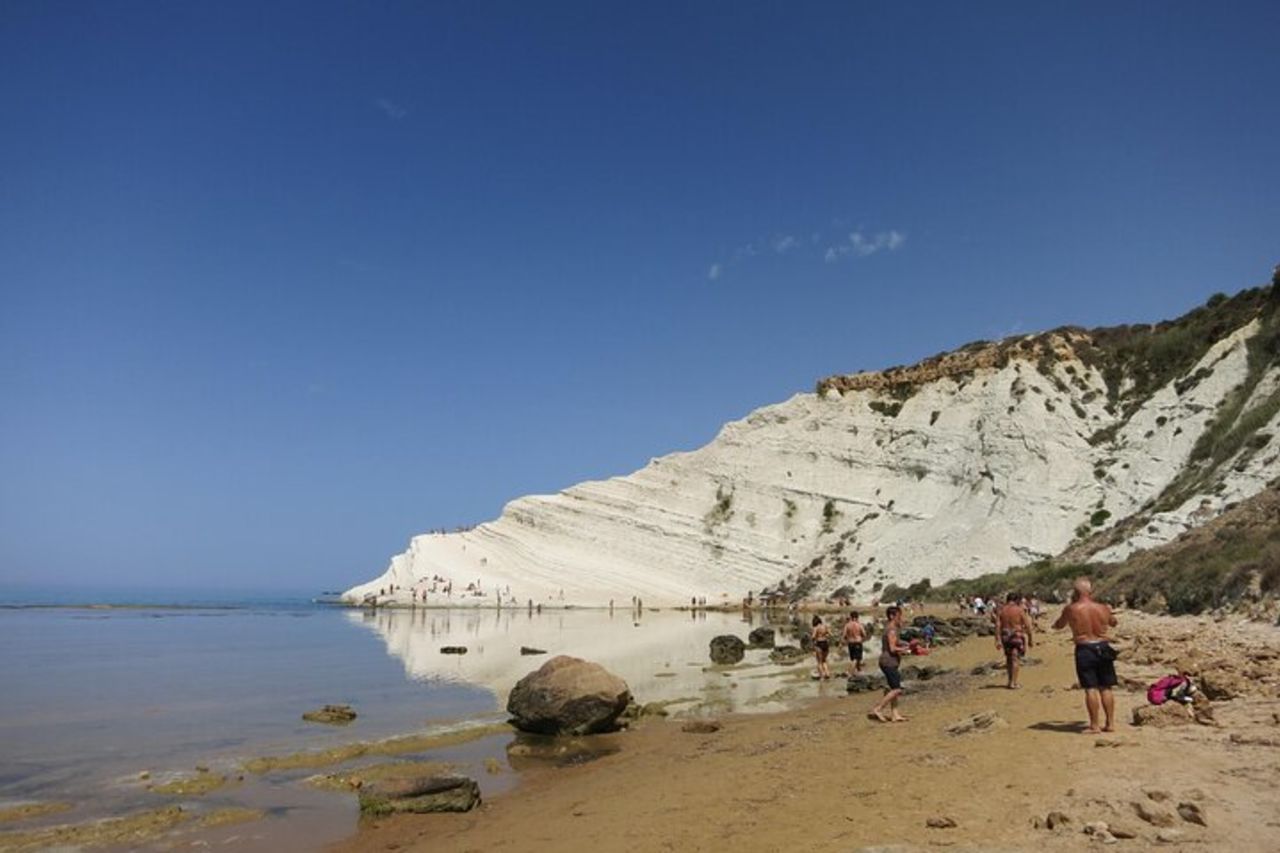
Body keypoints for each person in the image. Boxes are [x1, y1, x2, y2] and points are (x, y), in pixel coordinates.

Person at [1052, 577, 1119, 734]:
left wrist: (1056, 624)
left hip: (1085, 648)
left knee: (1090, 687)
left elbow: (1059, 625)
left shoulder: (1072, 608)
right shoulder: (1103, 607)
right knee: (1106, 687)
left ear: (1076, 592)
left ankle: (1095, 725)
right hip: (1103, 646)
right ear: (1090, 591)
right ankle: (1110, 723)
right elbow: (1114, 622)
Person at [868, 606, 912, 722]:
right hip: (888, 662)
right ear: (892, 616)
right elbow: (892, 648)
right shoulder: (892, 629)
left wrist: (907, 644)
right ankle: (878, 709)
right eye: (899, 616)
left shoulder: (892, 628)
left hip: (890, 661)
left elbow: (895, 642)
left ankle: (895, 714)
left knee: (893, 688)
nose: (900, 618)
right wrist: (906, 650)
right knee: (897, 689)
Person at [995, 592, 1034, 689]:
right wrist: (1030, 639)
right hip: (1016, 635)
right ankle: (1014, 683)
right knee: (1015, 659)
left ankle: (1009, 681)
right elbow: (1028, 625)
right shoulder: (1019, 610)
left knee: (1009, 659)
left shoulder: (1001, 611)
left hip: (1005, 636)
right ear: (1016, 600)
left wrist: (998, 640)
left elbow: (997, 626)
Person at [842, 610, 866, 675]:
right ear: (857, 617)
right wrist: (861, 639)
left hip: (850, 643)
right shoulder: (859, 625)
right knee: (856, 659)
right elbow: (864, 634)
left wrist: (845, 641)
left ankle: (859, 671)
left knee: (855, 659)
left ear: (851, 617)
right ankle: (851, 672)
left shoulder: (847, 625)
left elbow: (844, 635)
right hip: (858, 642)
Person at [811, 615, 832, 680]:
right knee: (824, 660)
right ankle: (827, 674)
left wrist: (813, 642)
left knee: (819, 662)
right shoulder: (825, 626)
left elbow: (813, 637)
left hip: (819, 644)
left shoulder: (816, 628)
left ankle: (822, 676)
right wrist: (825, 635)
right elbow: (831, 634)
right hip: (825, 643)